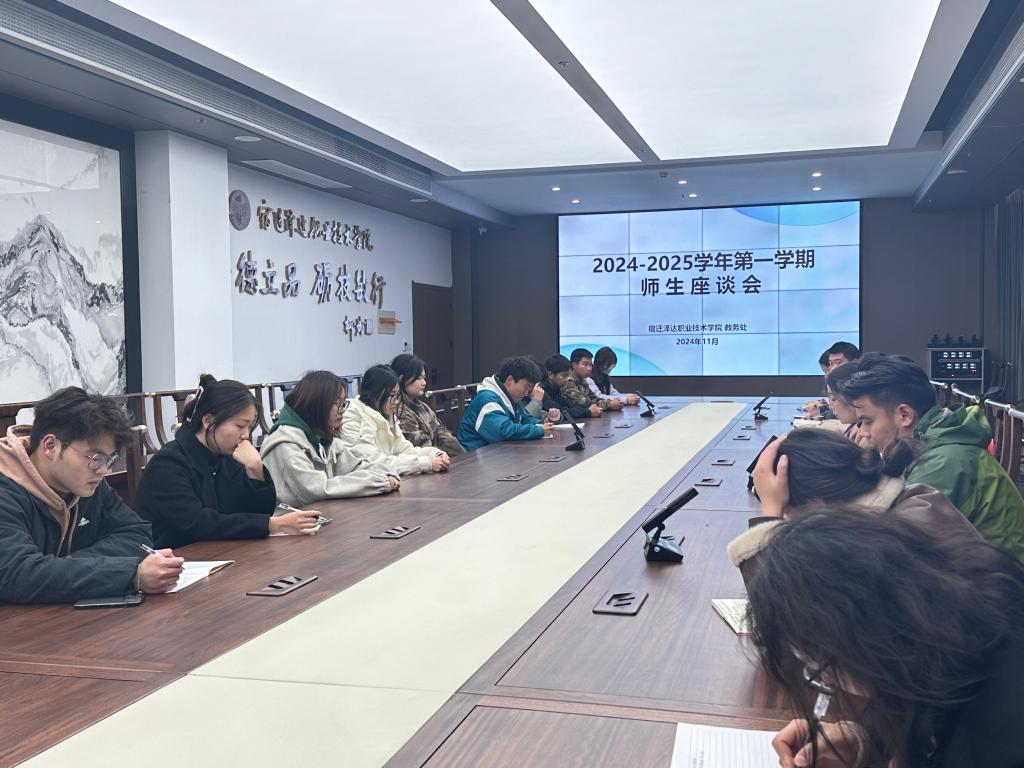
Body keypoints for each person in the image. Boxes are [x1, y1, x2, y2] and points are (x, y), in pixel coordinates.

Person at [748, 510, 1024, 768]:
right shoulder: (954, 620)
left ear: (862, 636)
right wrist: (864, 739)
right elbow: (924, 700)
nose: (830, 683)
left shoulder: (1004, 724)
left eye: (822, 669)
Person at [835, 353, 1024, 563]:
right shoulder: (937, 444)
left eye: (867, 421)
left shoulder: (942, 463)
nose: (862, 432)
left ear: (905, 415)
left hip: (1002, 580)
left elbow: (899, 552)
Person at [0, 387, 183, 603]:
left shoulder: (86, 483)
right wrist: (129, 574)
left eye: (109, 459)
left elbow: (136, 533)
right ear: (50, 446)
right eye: (95, 458)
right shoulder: (6, 491)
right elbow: (18, 575)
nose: (103, 470)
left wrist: (65, 566)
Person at [728, 429, 980, 584]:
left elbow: (786, 615)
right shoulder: (909, 501)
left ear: (815, 506)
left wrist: (770, 512)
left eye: (789, 517)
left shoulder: (875, 544)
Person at [134, 375, 319, 548]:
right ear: (208, 421)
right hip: (174, 557)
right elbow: (197, 522)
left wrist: (256, 470)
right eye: (240, 426)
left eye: (249, 427)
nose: (246, 435)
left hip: (222, 552)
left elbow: (256, 513)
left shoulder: (227, 456)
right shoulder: (169, 463)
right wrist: (271, 525)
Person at [260, 370, 399, 507]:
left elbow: (357, 465)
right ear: (317, 404)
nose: (342, 410)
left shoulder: (324, 437)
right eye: (338, 403)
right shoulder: (285, 445)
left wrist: (386, 473)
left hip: (323, 514)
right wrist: (378, 482)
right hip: (292, 519)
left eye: (344, 403)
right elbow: (317, 490)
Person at [342, 365, 449, 475]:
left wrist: (434, 453)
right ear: (375, 393)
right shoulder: (352, 417)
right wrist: (425, 463)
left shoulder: (386, 414)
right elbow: (374, 463)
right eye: (392, 395)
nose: (396, 401)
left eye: (397, 396)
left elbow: (404, 449)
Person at [458, 356, 553, 451]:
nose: (526, 393)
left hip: (495, 453)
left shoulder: (509, 397)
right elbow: (503, 431)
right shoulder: (487, 399)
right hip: (474, 455)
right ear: (510, 380)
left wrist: (542, 424)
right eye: (526, 387)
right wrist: (538, 430)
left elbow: (523, 418)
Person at [389, 354, 465, 456]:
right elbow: (419, 447)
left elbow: (440, 431)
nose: (424, 383)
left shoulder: (422, 406)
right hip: (423, 461)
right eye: (419, 378)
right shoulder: (398, 409)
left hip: (437, 457)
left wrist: (461, 454)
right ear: (402, 379)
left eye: (424, 378)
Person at [794, 360, 866, 445]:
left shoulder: (865, 437)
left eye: (833, 398)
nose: (831, 405)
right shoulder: (855, 426)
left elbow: (838, 426)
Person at [562, 348, 621, 414]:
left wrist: (610, 403)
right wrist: (609, 404)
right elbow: (582, 403)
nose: (589, 369)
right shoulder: (568, 380)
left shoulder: (583, 380)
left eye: (590, 365)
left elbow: (594, 399)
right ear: (574, 365)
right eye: (585, 365)